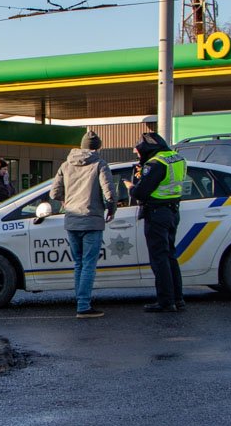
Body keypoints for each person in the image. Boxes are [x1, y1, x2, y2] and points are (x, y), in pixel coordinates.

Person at [50, 131, 115, 318]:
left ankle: (80, 301)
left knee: (78, 263)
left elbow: (54, 193)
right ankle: (84, 305)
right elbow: (109, 194)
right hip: (92, 220)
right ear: (97, 147)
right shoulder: (100, 164)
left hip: (71, 220)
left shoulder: (65, 164)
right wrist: (111, 210)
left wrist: (66, 201)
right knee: (88, 264)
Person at [130, 131, 187, 313]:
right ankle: (178, 299)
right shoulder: (177, 158)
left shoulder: (156, 163)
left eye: (139, 151)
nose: (138, 154)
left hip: (156, 213)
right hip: (172, 211)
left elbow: (141, 193)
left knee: (159, 259)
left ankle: (165, 301)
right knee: (170, 256)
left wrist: (131, 187)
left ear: (147, 148)